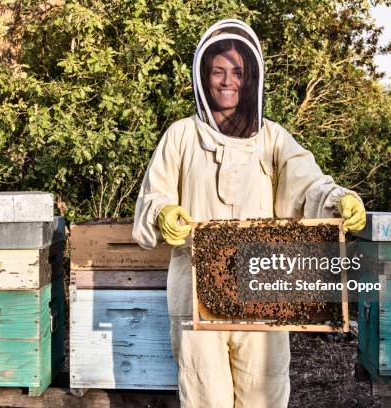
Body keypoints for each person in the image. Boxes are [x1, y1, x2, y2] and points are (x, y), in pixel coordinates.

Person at [132, 19, 366, 408]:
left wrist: (338, 201)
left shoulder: (273, 138)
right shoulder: (181, 135)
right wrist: (162, 214)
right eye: (217, 71)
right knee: (205, 392)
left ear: (252, 78)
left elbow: (308, 185)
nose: (227, 81)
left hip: (262, 284)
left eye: (237, 72)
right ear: (203, 77)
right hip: (195, 290)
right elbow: (152, 199)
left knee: (265, 391)